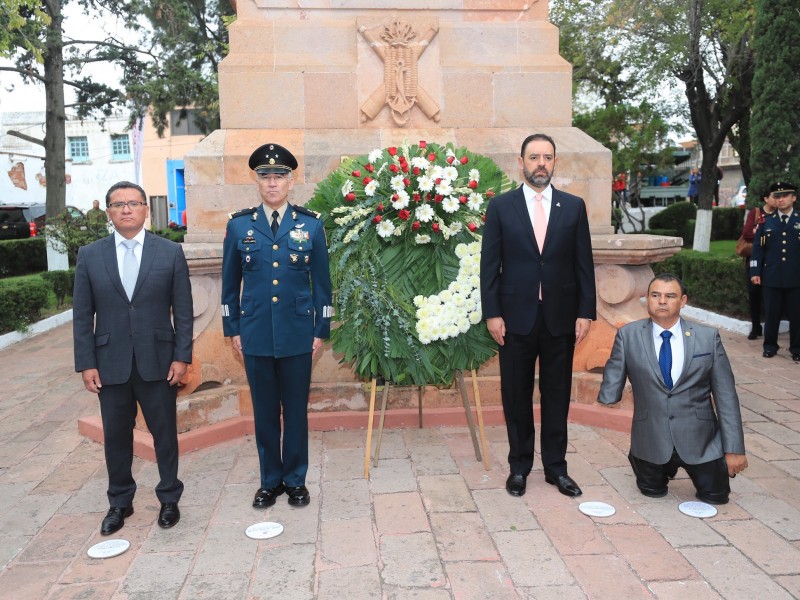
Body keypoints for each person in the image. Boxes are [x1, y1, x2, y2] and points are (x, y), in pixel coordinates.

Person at [73, 181, 193, 535]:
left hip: (158, 360)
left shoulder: (169, 252)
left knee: (164, 434)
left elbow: (183, 311)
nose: (126, 209)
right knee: (116, 436)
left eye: (134, 203)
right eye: (118, 204)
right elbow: (82, 316)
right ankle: (120, 503)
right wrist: (86, 363)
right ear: (108, 213)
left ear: (145, 209)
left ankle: (169, 498)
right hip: (110, 364)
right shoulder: (90, 255)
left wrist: (181, 356)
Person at [480, 133, 596, 498]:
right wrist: (492, 313)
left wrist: (586, 311)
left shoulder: (573, 207)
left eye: (547, 157)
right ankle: (519, 467)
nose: (541, 163)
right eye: (534, 157)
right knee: (515, 395)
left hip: (560, 318)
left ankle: (556, 469)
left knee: (557, 394)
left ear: (554, 162)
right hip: (515, 319)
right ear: (521, 162)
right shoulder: (501, 207)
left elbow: (583, 264)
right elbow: (489, 266)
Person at [221, 143, 332, 509]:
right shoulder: (239, 226)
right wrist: (232, 329)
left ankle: (295, 479)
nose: (272, 183)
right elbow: (228, 285)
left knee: (296, 409)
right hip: (254, 334)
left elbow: (322, 285)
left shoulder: (310, 225)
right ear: (257, 181)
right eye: (265, 177)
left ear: (291, 181)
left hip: (298, 334)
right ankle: (270, 481)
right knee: (265, 411)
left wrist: (320, 331)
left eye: (279, 177)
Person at [597, 274, 747, 504]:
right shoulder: (628, 335)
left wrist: (734, 448)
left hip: (701, 442)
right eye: (655, 295)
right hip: (650, 440)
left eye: (670, 296)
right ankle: (650, 470)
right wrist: (608, 393)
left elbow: (726, 396)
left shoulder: (707, 338)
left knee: (717, 498)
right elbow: (611, 385)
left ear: (683, 301)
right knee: (651, 493)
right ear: (647, 299)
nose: (662, 301)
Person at [750, 181, 800, 361]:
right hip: (771, 276)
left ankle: (797, 349)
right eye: (777, 196)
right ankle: (770, 346)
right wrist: (755, 271)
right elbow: (757, 249)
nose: (781, 200)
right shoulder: (766, 222)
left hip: (796, 277)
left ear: (793, 198)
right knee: (771, 314)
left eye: (785, 196)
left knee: (797, 316)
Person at [741, 191, 776, 339]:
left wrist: (760, 232)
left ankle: (770, 328)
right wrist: (767, 234)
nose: (778, 199)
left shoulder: (780, 215)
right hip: (755, 260)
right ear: (766, 199)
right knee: (754, 294)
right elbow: (747, 233)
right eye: (775, 196)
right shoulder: (756, 213)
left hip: (773, 262)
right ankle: (756, 326)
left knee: (772, 296)